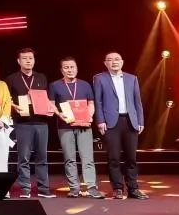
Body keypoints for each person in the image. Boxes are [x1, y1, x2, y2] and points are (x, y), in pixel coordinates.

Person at [92, 52, 149, 200]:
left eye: (117, 59)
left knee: (131, 157)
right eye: (110, 60)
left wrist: (140, 121)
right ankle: (117, 188)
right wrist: (100, 120)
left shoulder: (132, 78)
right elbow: (98, 101)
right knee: (114, 158)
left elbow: (137, 101)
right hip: (111, 122)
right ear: (105, 63)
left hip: (130, 121)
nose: (114, 62)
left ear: (122, 62)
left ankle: (133, 188)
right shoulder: (99, 78)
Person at [51, 57, 104, 199]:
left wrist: (89, 115)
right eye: (66, 67)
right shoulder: (55, 85)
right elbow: (51, 104)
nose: (70, 70)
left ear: (77, 69)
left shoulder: (85, 85)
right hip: (65, 126)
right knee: (69, 158)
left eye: (72, 67)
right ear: (61, 70)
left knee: (88, 158)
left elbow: (91, 103)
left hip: (84, 125)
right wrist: (59, 114)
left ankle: (91, 187)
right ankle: (74, 188)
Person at [6, 48, 53, 198]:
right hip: (22, 123)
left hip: (41, 122)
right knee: (23, 158)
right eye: (25, 58)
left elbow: (47, 98)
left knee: (42, 157)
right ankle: (25, 189)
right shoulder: (11, 79)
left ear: (34, 60)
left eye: (30, 58)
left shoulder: (41, 77)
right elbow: (6, 100)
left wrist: (51, 109)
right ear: (18, 61)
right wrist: (14, 106)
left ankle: (43, 189)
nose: (28, 61)